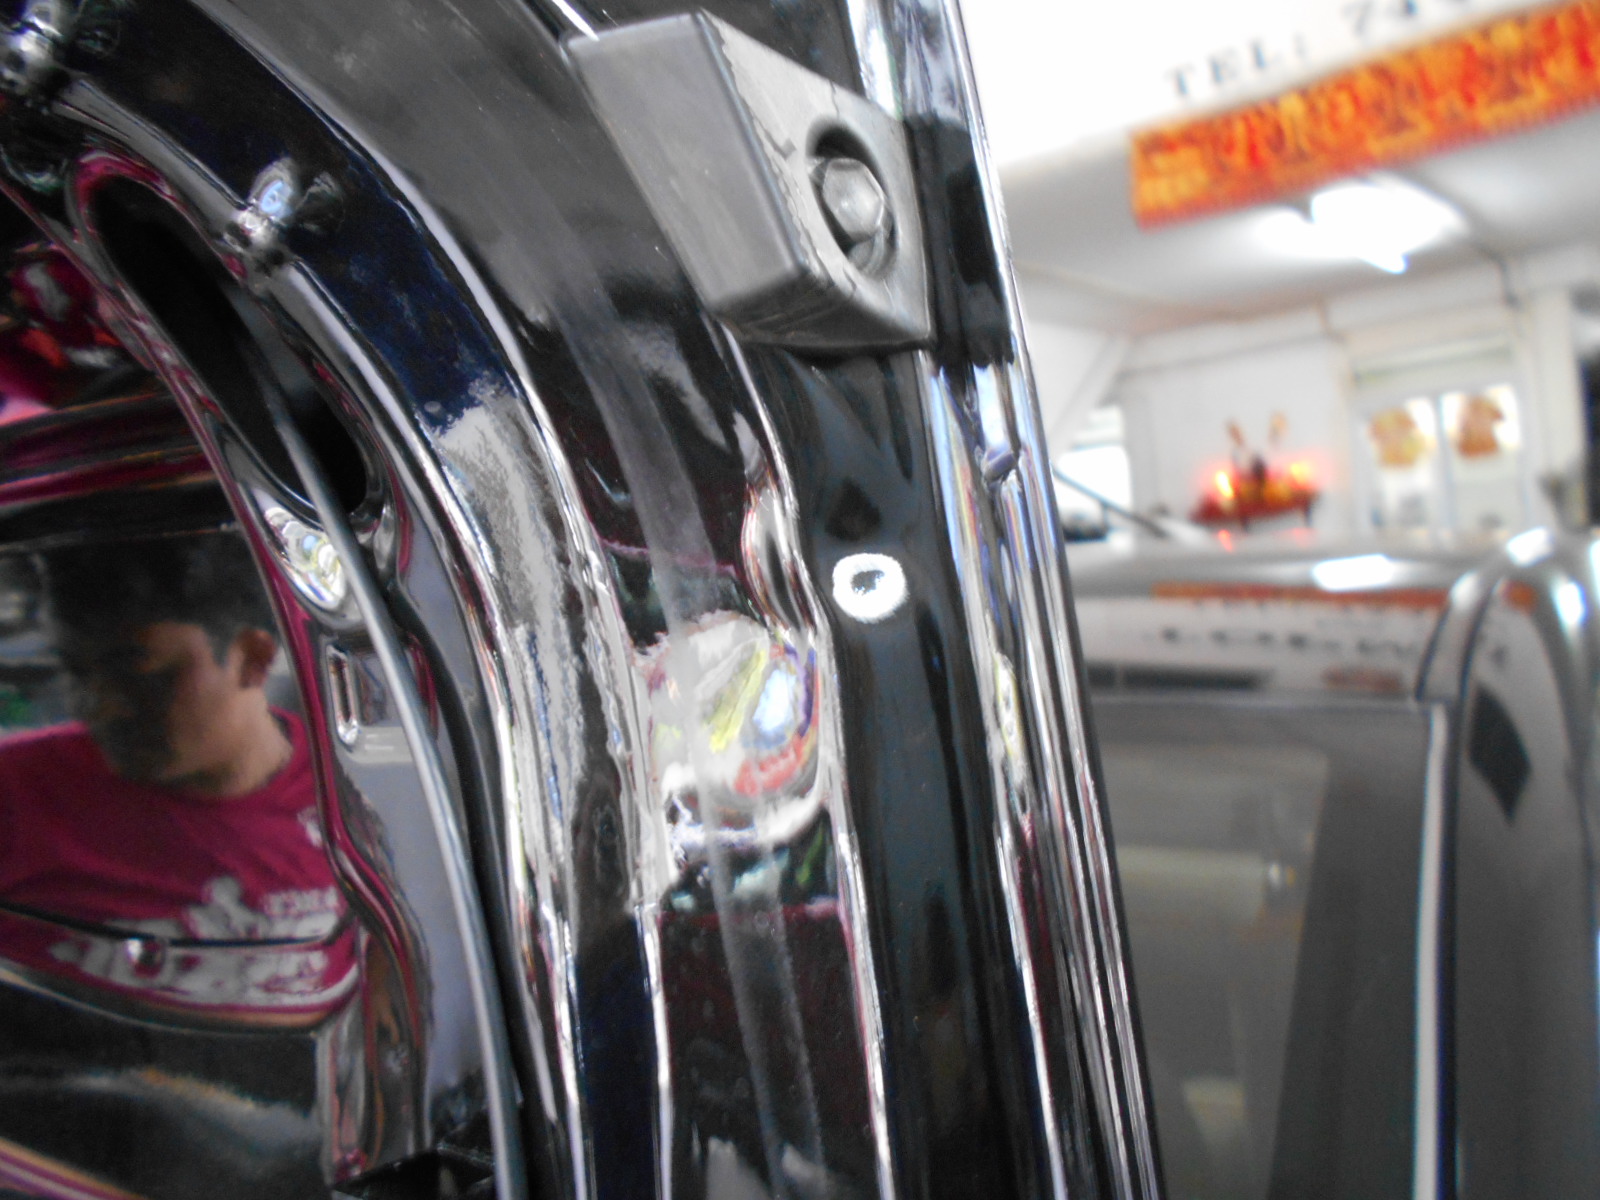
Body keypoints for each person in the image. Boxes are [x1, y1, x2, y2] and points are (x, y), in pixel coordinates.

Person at [0, 532, 356, 1019]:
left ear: (252, 659)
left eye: (139, 672)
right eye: (77, 672)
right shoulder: (17, 793)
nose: (100, 706)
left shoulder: (358, 806)